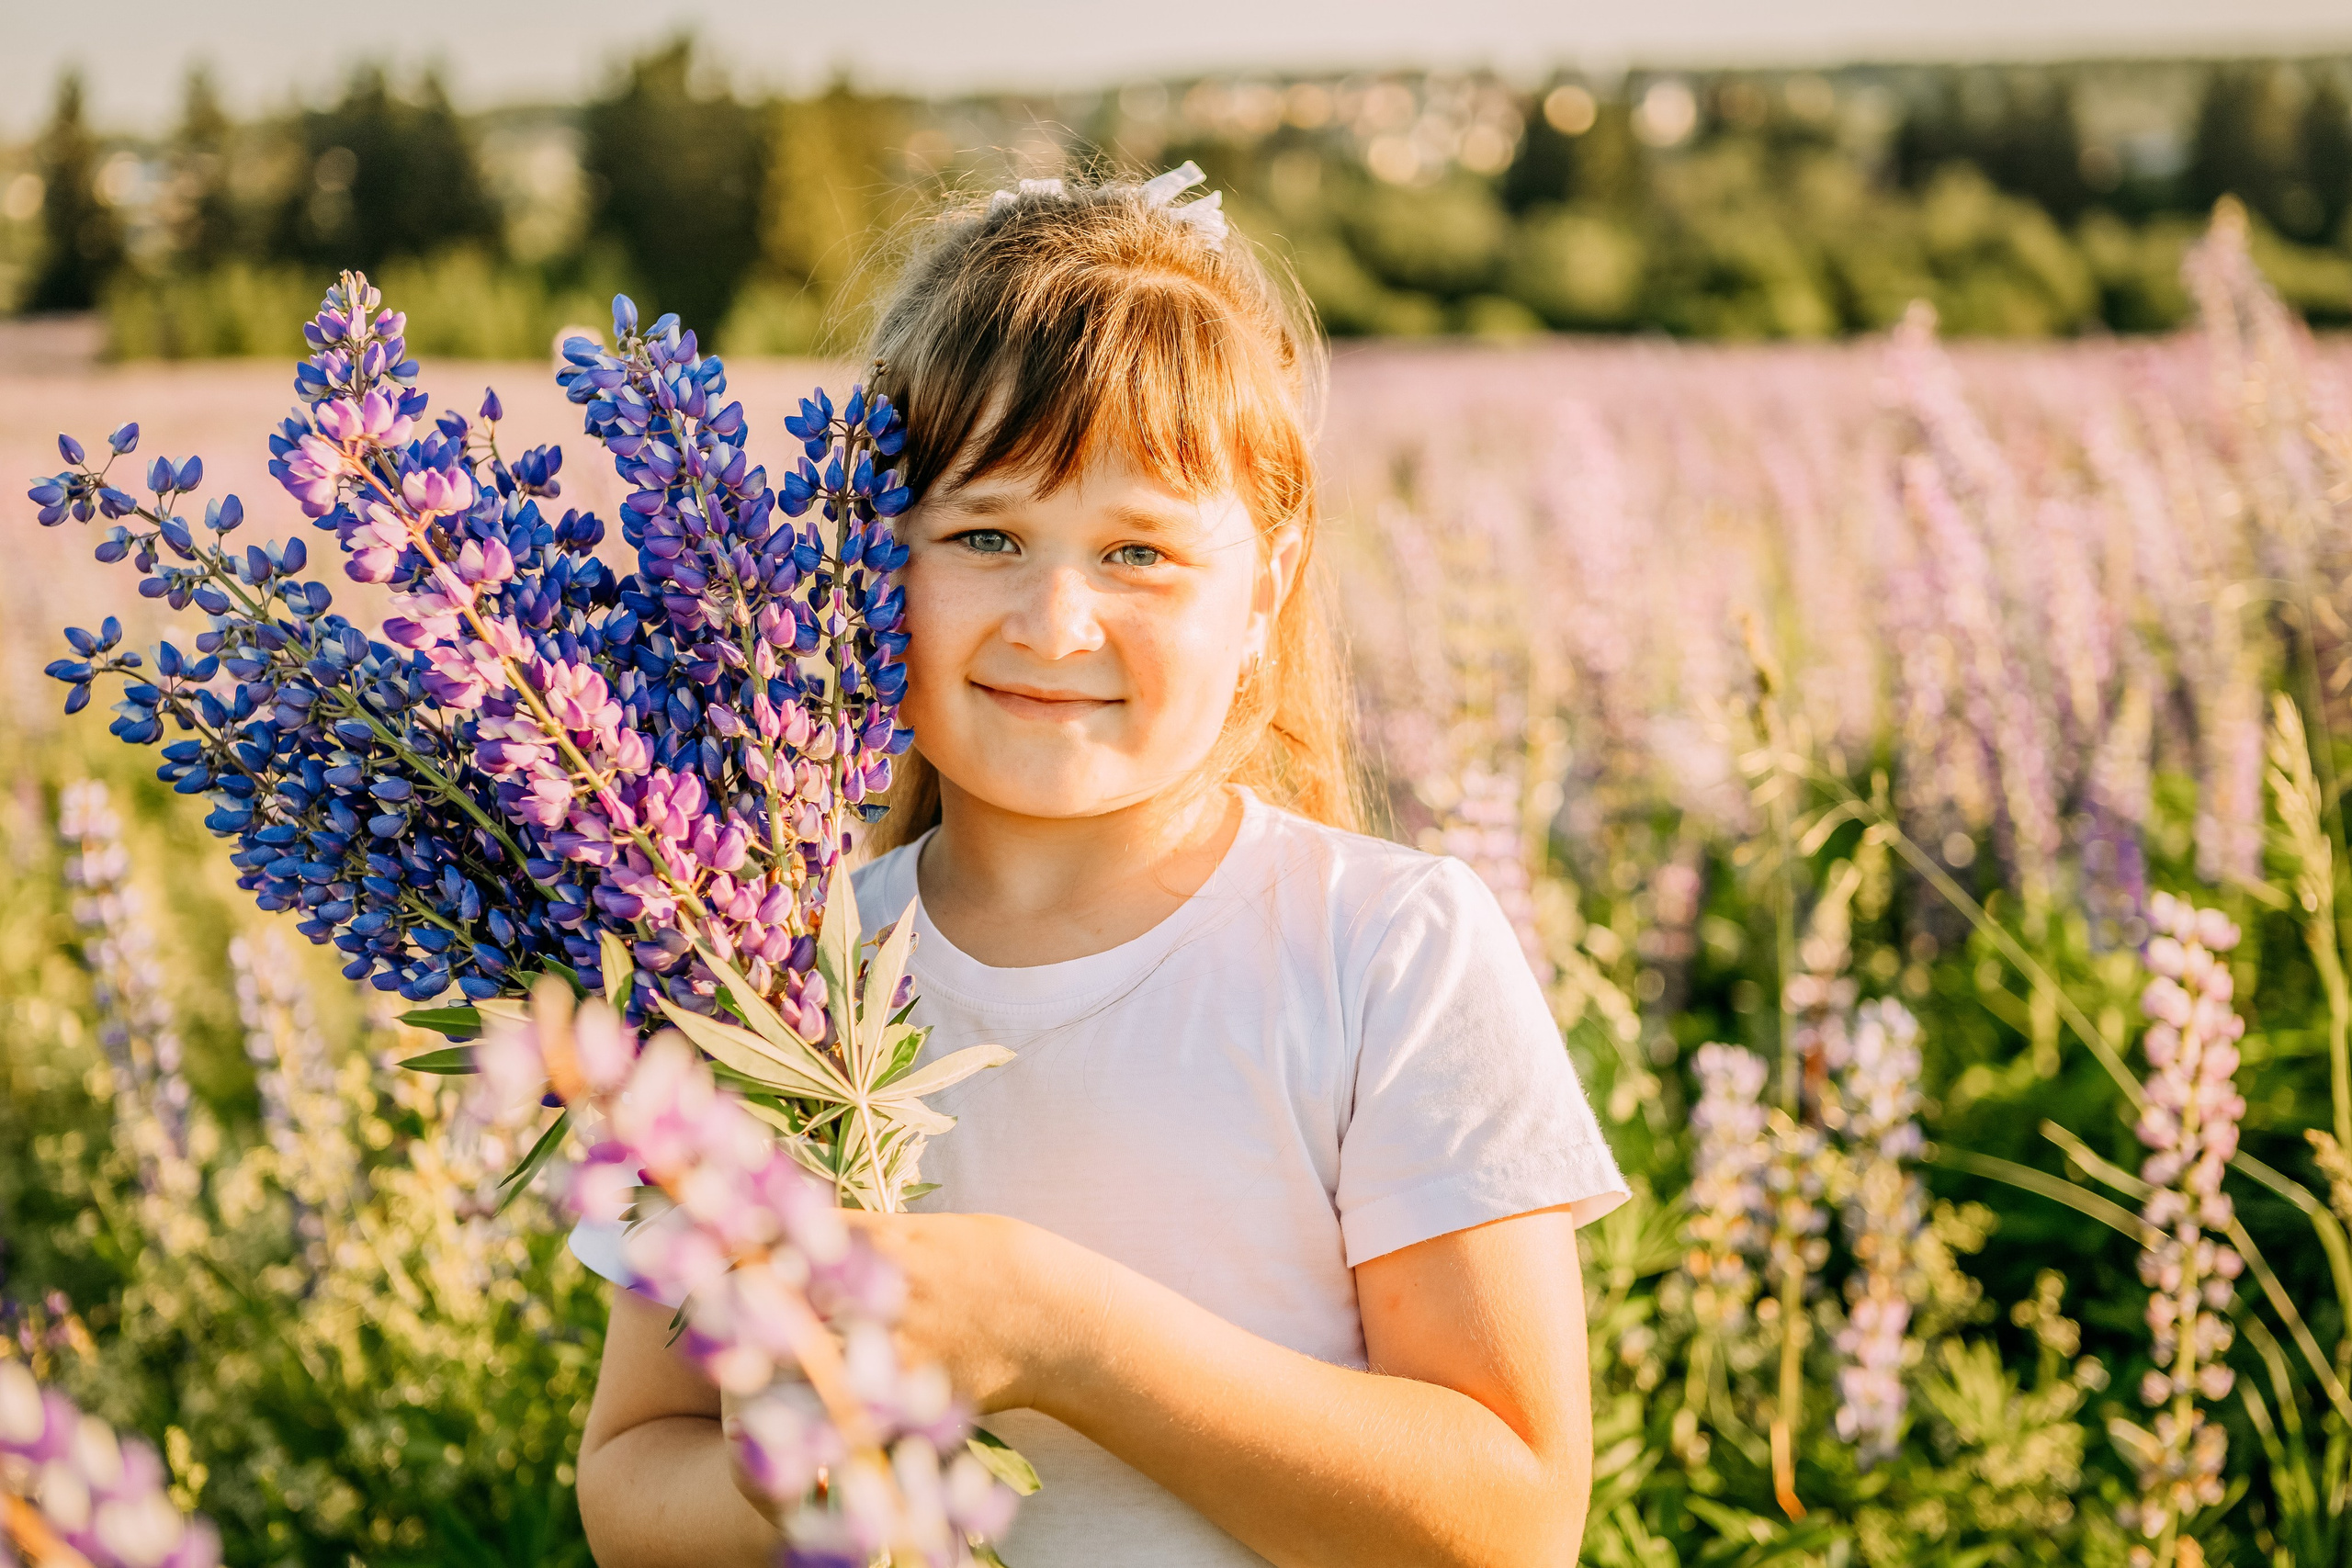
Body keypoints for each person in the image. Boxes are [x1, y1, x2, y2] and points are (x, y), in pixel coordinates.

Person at [568, 163, 1627, 1568]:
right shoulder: (760, 978)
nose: (1056, 622)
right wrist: (777, 1488)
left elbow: (1513, 1518)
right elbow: (632, 1475)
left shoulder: (1386, 951)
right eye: (985, 535)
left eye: (1137, 551)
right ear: (868, 560)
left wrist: (1062, 1336)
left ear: (1266, 585)